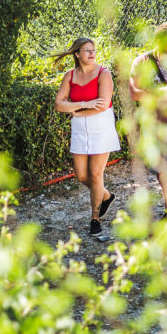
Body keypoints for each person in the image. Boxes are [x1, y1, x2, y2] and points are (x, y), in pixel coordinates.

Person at [53, 37, 120, 240]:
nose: (92, 53)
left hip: (101, 126)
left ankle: (95, 220)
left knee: (96, 173)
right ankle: (106, 196)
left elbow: (102, 104)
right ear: (77, 54)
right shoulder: (70, 76)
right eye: (87, 50)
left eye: (93, 50)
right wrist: (84, 103)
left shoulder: (103, 73)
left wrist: (78, 111)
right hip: (80, 129)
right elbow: (59, 104)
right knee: (82, 176)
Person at [129, 23, 167, 220]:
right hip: (151, 122)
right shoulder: (141, 62)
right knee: (160, 167)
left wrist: (151, 93)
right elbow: (134, 93)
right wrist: (161, 92)